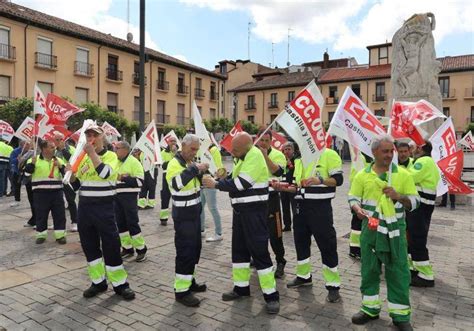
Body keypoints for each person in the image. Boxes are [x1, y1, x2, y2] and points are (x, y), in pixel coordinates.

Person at [203, 132, 280, 314]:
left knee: (260, 252)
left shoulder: (253, 155)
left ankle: (271, 296)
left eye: (235, 150)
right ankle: (241, 288)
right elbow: (235, 179)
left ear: (246, 147)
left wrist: (216, 184)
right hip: (241, 212)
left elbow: (241, 184)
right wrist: (224, 178)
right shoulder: (243, 156)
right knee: (239, 251)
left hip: (254, 212)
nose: (232, 153)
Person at [349, 134, 419, 331]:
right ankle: (370, 309)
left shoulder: (403, 175)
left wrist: (398, 196)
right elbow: (353, 198)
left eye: (391, 151)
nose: (390, 155)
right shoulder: (362, 175)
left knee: (398, 270)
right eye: (385, 151)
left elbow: (415, 202)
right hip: (370, 229)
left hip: (395, 230)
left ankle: (400, 315)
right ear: (374, 152)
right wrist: (357, 209)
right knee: (369, 269)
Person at [68, 124, 135, 300]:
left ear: (102, 137)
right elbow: (76, 185)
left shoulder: (111, 156)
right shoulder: (82, 158)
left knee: (111, 246)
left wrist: (91, 153)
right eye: (88, 134)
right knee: (89, 246)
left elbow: (105, 173)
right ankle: (98, 282)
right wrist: (71, 173)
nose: (91, 138)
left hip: (104, 207)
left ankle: (120, 284)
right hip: (85, 208)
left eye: (94, 135)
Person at [275, 146, 344, 303]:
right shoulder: (299, 159)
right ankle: (304, 276)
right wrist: (283, 187)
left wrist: (320, 180)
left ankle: (333, 286)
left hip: (320, 209)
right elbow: (296, 186)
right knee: (301, 243)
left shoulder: (329, 154)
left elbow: (338, 180)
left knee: (327, 245)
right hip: (300, 208)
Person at [166, 134, 208, 307]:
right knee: (185, 252)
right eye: (192, 149)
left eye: (197, 149)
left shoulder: (189, 163)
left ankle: (189, 280)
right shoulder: (174, 164)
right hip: (183, 216)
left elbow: (197, 183)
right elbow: (177, 184)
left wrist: (204, 173)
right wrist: (195, 169)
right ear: (183, 146)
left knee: (195, 249)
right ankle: (181, 291)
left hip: (194, 214)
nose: (194, 152)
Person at [406, 142, 440, 287]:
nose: (411, 151)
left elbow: (410, 178)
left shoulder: (423, 162)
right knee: (413, 238)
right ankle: (415, 268)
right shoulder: (427, 161)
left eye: (413, 148)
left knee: (417, 238)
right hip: (422, 206)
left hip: (420, 206)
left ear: (420, 148)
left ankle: (426, 275)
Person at [256, 130, 287, 278]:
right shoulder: (251, 154)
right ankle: (259, 259)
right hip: (256, 199)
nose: (263, 143)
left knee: (275, 233)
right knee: (257, 231)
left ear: (271, 141)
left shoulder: (277, 154)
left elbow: (278, 172)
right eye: (261, 140)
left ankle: (280, 261)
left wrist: (265, 156)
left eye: (266, 140)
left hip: (271, 199)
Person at [23, 139, 67, 244]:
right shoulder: (34, 159)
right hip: (40, 193)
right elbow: (27, 174)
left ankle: (60, 235)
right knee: (41, 214)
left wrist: (60, 166)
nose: (54, 148)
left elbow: (66, 175)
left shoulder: (58, 160)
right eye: (51, 147)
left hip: (57, 193)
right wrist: (32, 164)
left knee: (59, 215)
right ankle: (41, 235)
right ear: (44, 149)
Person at [114, 141, 148, 262]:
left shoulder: (134, 162)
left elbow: (140, 181)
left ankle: (141, 249)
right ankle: (127, 248)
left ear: (125, 150)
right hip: (116, 197)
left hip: (129, 197)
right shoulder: (115, 161)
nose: (115, 150)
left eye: (117, 148)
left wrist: (124, 177)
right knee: (120, 224)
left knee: (132, 223)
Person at [348, 152, 372, 260]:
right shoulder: (360, 158)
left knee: (359, 223)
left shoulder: (368, 158)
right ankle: (355, 249)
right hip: (359, 194)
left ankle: (356, 248)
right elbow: (356, 177)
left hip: (365, 194)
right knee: (357, 222)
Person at [53, 132, 79, 232]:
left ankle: (75, 221)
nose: (58, 142)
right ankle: (57, 222)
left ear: (64, 140)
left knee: (70, 200)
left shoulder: (71, 149)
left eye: (60, 139)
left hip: (68, 178)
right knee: (57, 202)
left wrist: (63, 149)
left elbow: (73, 160)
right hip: (56, 178)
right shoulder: (53, 150)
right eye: (56, 140)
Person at [200, 143, 224, 242]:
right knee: (200, 207)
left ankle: (219, 233)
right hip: (201, 182)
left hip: (210, 182)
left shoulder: (214, 150)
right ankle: (201, 230)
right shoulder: (200, 149)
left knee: (213, 208)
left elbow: (218, 167)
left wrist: (214, 180)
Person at [159, 137, 178, 225]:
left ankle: (177, 217)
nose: (173, 143)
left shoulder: (179, 152)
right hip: (166, 178)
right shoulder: (163, 152)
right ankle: (163, 218)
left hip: (177, 177)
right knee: (165, 197)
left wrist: (175, 153)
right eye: (171, 141)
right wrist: (173, 160)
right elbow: (163, 165)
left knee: (177, 198)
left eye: (174, 141)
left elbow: (182, 162)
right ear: (168, 142)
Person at [280, 142, 298, 232]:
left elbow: (296, 171)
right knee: (284, 207)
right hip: (283, 187)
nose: (287, 151)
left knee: (294, 207)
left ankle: (296, 225)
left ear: (293, 150)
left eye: (289, 149)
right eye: (285, 149)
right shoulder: (282, 160)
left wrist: (290, 164)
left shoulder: (296, 160)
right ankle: (287, 225)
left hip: (292, 187)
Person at [9, 140, 28, 207]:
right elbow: (11, 161)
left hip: (27, 172)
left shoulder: (30, 151)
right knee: (17, 186)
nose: (26, 146)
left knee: (29, 187)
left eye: (27, 145)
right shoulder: (15, 151)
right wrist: (17, 159)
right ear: (21, 145)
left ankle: (32, 200)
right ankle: (17, 200)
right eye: (25, 145)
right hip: (17, 171)